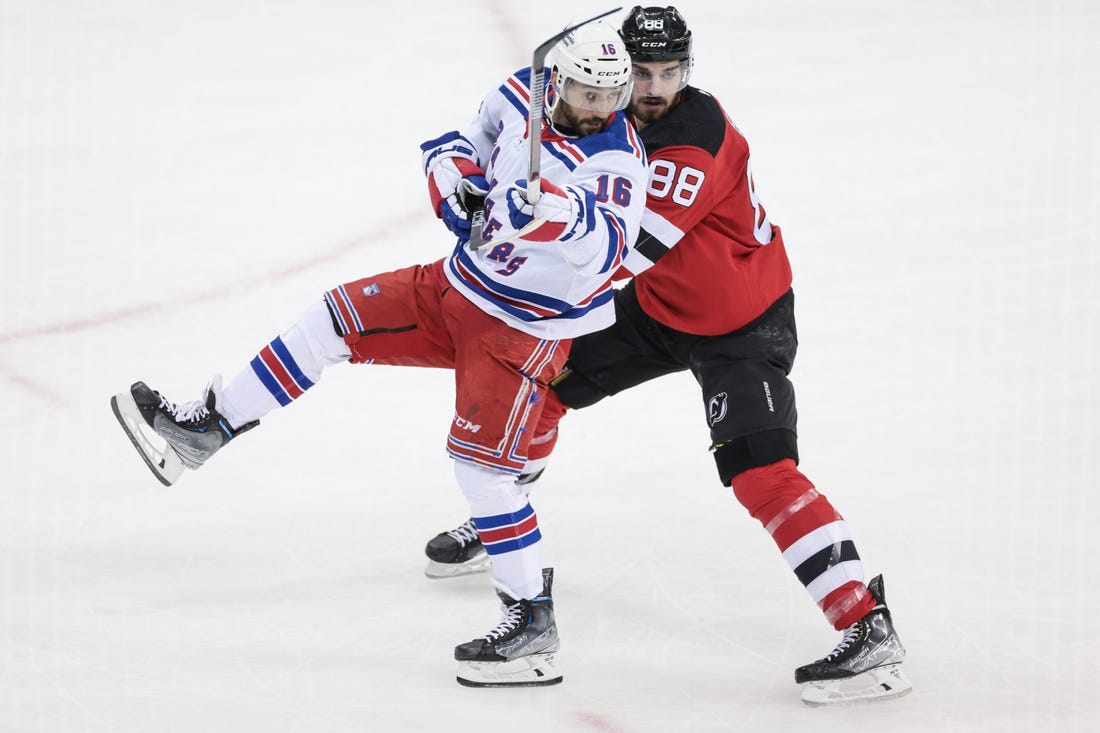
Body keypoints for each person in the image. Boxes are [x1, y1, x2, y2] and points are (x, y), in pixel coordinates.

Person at [110, 18, 647, 689]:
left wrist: (561, 214)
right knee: (331, 319)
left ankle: (531, 619)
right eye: (586, 93)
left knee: (481, 470)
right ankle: (205, 428)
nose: (599, 108)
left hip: (521, 329)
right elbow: (459, 143)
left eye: (611, 95)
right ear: (557, 82)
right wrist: (459, 185)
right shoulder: (521, 92)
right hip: (455, 288)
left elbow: (609, 251)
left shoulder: (619, 160)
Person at [421, 6, 911, 705]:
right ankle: (501, 516)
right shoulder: (608, 117)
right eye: (641, 71)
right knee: (542, 384)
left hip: (741, 321)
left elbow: (616, 255)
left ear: (688, 70)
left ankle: (868, 626)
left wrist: (511, 255)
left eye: (668, 72)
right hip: (657, 310)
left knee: (760, 472)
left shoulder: (693, 140)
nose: (653, 86)